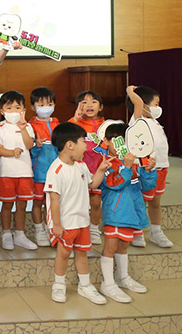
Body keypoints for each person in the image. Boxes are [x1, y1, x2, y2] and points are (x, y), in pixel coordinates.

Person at [45, 122, 109, 305]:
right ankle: (59, 284)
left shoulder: (81, 165)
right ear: (70, 145)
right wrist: (57, 224)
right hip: (66, 223)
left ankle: (85, 285)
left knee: (82, 253)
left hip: (82, 221)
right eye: (83, 142)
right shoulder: (56, 170)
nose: (86, 147)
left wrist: (101, 169)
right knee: (63, 253)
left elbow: (92, 184)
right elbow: (54, 200)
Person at [99, 122, 158, 303]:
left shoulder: (134, 163)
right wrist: (125, 167)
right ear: (106, 141)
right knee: (111, 246)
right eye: (117, 141)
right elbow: (114, 183)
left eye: (125, 142)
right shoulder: (106, 163)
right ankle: (107, 283)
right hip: (115, 212)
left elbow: (148, 186)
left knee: (124, 245)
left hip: (132, 212)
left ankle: (122, 277)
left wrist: (148, 170)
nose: (122, 146)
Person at [127, 85, 173, 248]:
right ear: (144, 105)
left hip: (161, 167)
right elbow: (138, 103)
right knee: (141, 202)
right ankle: (137, 230)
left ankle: (156, 231)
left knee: (156, 201)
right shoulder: (137, 120)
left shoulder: (154, 122)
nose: (158, 108)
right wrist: (130, 91)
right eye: (155, 104)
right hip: (144, 169)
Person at [0, 91, 37, 251]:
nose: (13, 111)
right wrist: (12, 152)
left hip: (25, 173)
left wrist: (23, 128)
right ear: (2, 111)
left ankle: (20, 234)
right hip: (6, 173)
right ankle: (6, 234)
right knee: (7, 204)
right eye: (9, 108)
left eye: (17, 108)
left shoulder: (28, 127)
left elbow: (29, 145)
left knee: (22, 205)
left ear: (23, 110)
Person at [69, 90, 107, 244]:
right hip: (80, 169)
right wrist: (75, 119)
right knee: (79, 201)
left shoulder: (106, 125)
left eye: (93, 102)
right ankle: (79, 229)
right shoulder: (77, 123)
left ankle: (94, 229)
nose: (89, 105)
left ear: (101, 107)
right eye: (84, 102)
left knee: (96, 202)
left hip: (99, 169)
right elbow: (67, 135)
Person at [29, 87, 61, 247]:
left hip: (56, 171)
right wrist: (36, 145)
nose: (46, 108)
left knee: (53, 202)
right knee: (38, 201)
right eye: (41, 105)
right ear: (33, 107)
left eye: (49, 104)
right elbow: (28, 148)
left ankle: (52, 228)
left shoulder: (58, 124)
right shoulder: (30, 125)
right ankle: (38, 229)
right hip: (39, 171)